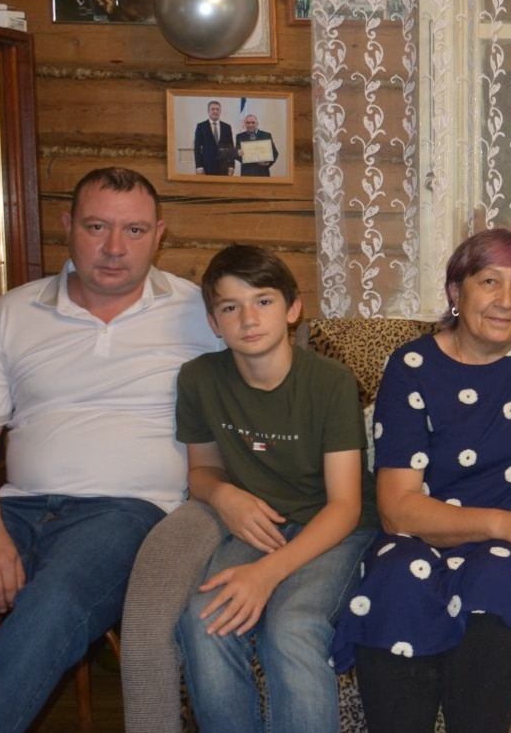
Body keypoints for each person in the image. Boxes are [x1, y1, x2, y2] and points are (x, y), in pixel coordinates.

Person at [0, 167, 217, 733]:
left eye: (133, 231)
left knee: (48, 612)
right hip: (13, 507)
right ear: (67, 226)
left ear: (159, 235)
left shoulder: (200, 314)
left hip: (129, 513)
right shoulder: (15, 312)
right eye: (96, 227)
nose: (114, 247)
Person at [330, 229, 511, 733]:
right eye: (490, 282)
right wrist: (505, 524)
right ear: (456, 292)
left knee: (498, 575)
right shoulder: (412, 367)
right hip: (423, 531)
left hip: (507, 552)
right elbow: (398, 509)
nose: (506, 301)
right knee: (396, 577)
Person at [173, 244, 376, 732]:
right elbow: (202, 471)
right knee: (203, 618)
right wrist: (224, 495)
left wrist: (266, 575)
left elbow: (345, 506)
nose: (248, 319)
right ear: (213, 322)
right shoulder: (199, 379)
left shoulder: (330, 382)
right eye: (230, 307)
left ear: (292, 308)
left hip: (336, 528)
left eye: (263, 301)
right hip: (258, 526)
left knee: (291, 626)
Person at [194, 100, 235, 176]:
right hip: (207, 165)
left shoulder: (227, 127)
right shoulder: (201, 126)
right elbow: (197, 148)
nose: (215, 111)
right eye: (212, 109)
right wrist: (199, 166)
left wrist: (231, 165)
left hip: (224, 166)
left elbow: (231, 147)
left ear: (220, 111)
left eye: (217, 109)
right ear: (208, 111)